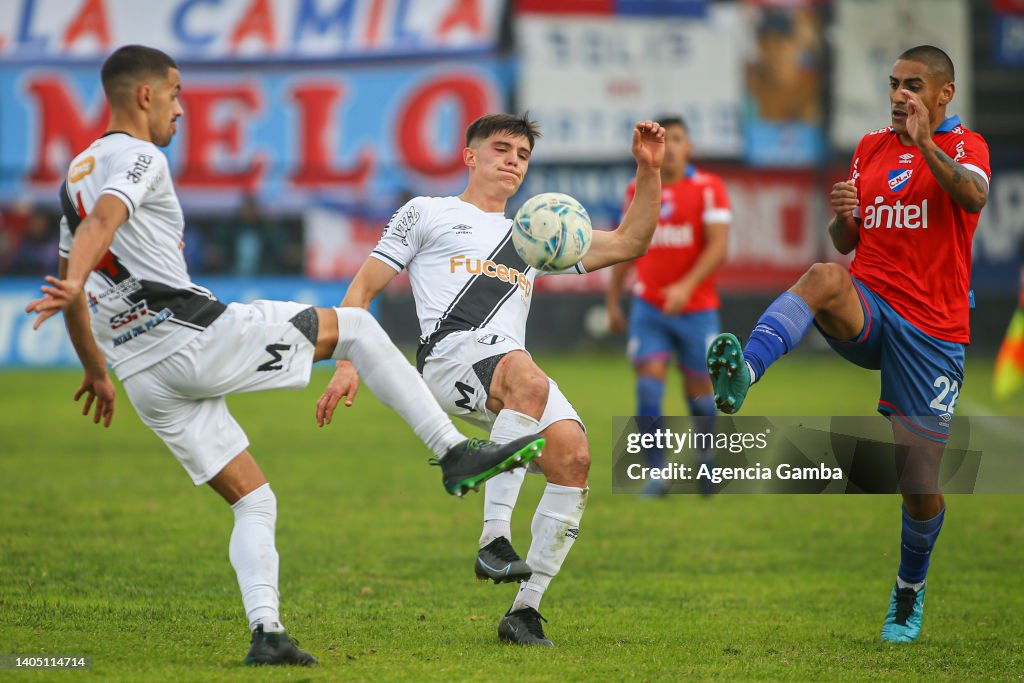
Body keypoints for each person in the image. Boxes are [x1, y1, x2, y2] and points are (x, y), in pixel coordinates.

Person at [24, 45, 544, 667]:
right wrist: (80, 277)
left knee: (254, 500)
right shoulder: (138, 156)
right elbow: (104, 223)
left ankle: (266, 633)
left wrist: (92, 368)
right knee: (354, 325)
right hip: (193, 336)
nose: (180, 109)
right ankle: (454, 452)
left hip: (141, 375)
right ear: (145, 96)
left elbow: (73, 269)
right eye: (176, 93)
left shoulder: (72, 174)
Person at [316, 114, 665, 646]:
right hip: (447, 355)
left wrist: (649, 169)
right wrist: (346, 361)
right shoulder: (427, 212)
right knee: (528, 378)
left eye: (522, 155)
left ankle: (524, 612)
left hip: (504, 366)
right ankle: (493, 539)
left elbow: (630, 242)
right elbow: (363, 288)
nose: (512, 161)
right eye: (501, 148)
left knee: (574, 457)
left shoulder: (535, 232)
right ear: (469, 156)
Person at [705, 45, 990, 643]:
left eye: (914, 85)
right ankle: (745, 373)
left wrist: (924, 144)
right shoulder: (869, 148)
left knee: (917, 484)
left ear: (944, 94)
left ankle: (909, 591)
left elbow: (972, 197)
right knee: (823, 275)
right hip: (871, 305)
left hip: (932, 332)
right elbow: (845, 241)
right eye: (893, 84)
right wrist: (844, 218)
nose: (899, 95)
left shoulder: (965, 147)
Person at [605, 115, 730, 496]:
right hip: (649, 309)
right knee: (647, 391)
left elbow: (718, 247)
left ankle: (706, 462)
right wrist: (612, 299)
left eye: (678, 138)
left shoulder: (708, 188)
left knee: (700, 396)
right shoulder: (638, 188)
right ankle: (656, 474)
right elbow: (625, 245)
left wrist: (685, 287)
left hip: (697, 309)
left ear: (689, 146)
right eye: (667, 138)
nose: (672, 146)